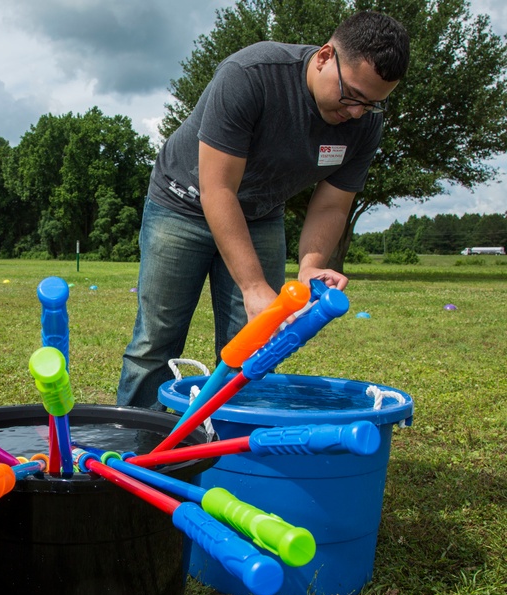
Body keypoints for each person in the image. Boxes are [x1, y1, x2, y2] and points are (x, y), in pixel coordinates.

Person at [117, 10, 410, 410]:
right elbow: (217, 189)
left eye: (373, 104)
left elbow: (331, 204)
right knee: (157, 341)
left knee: (256, 344)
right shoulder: (251, 74)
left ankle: (228, 455)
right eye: (352, 95)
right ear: (325, 56)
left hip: (260, 212)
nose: (357, 112)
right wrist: (253, 287)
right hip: (182, 204)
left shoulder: (364, 124)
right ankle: (136, 450)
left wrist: (310, 266)